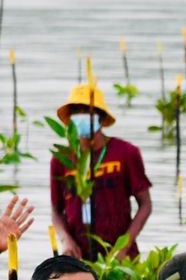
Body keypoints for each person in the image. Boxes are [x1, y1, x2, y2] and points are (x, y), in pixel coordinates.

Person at [48, 83, 153, 260]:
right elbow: (56, 211)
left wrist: (124, 245)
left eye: (87, 110)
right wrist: (66, 240)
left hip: (120, 255)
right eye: (76, 110)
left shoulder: (126, 153)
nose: (81, 116)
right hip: (78, 256)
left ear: (100, 116)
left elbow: (145, 204)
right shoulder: (61, 159)